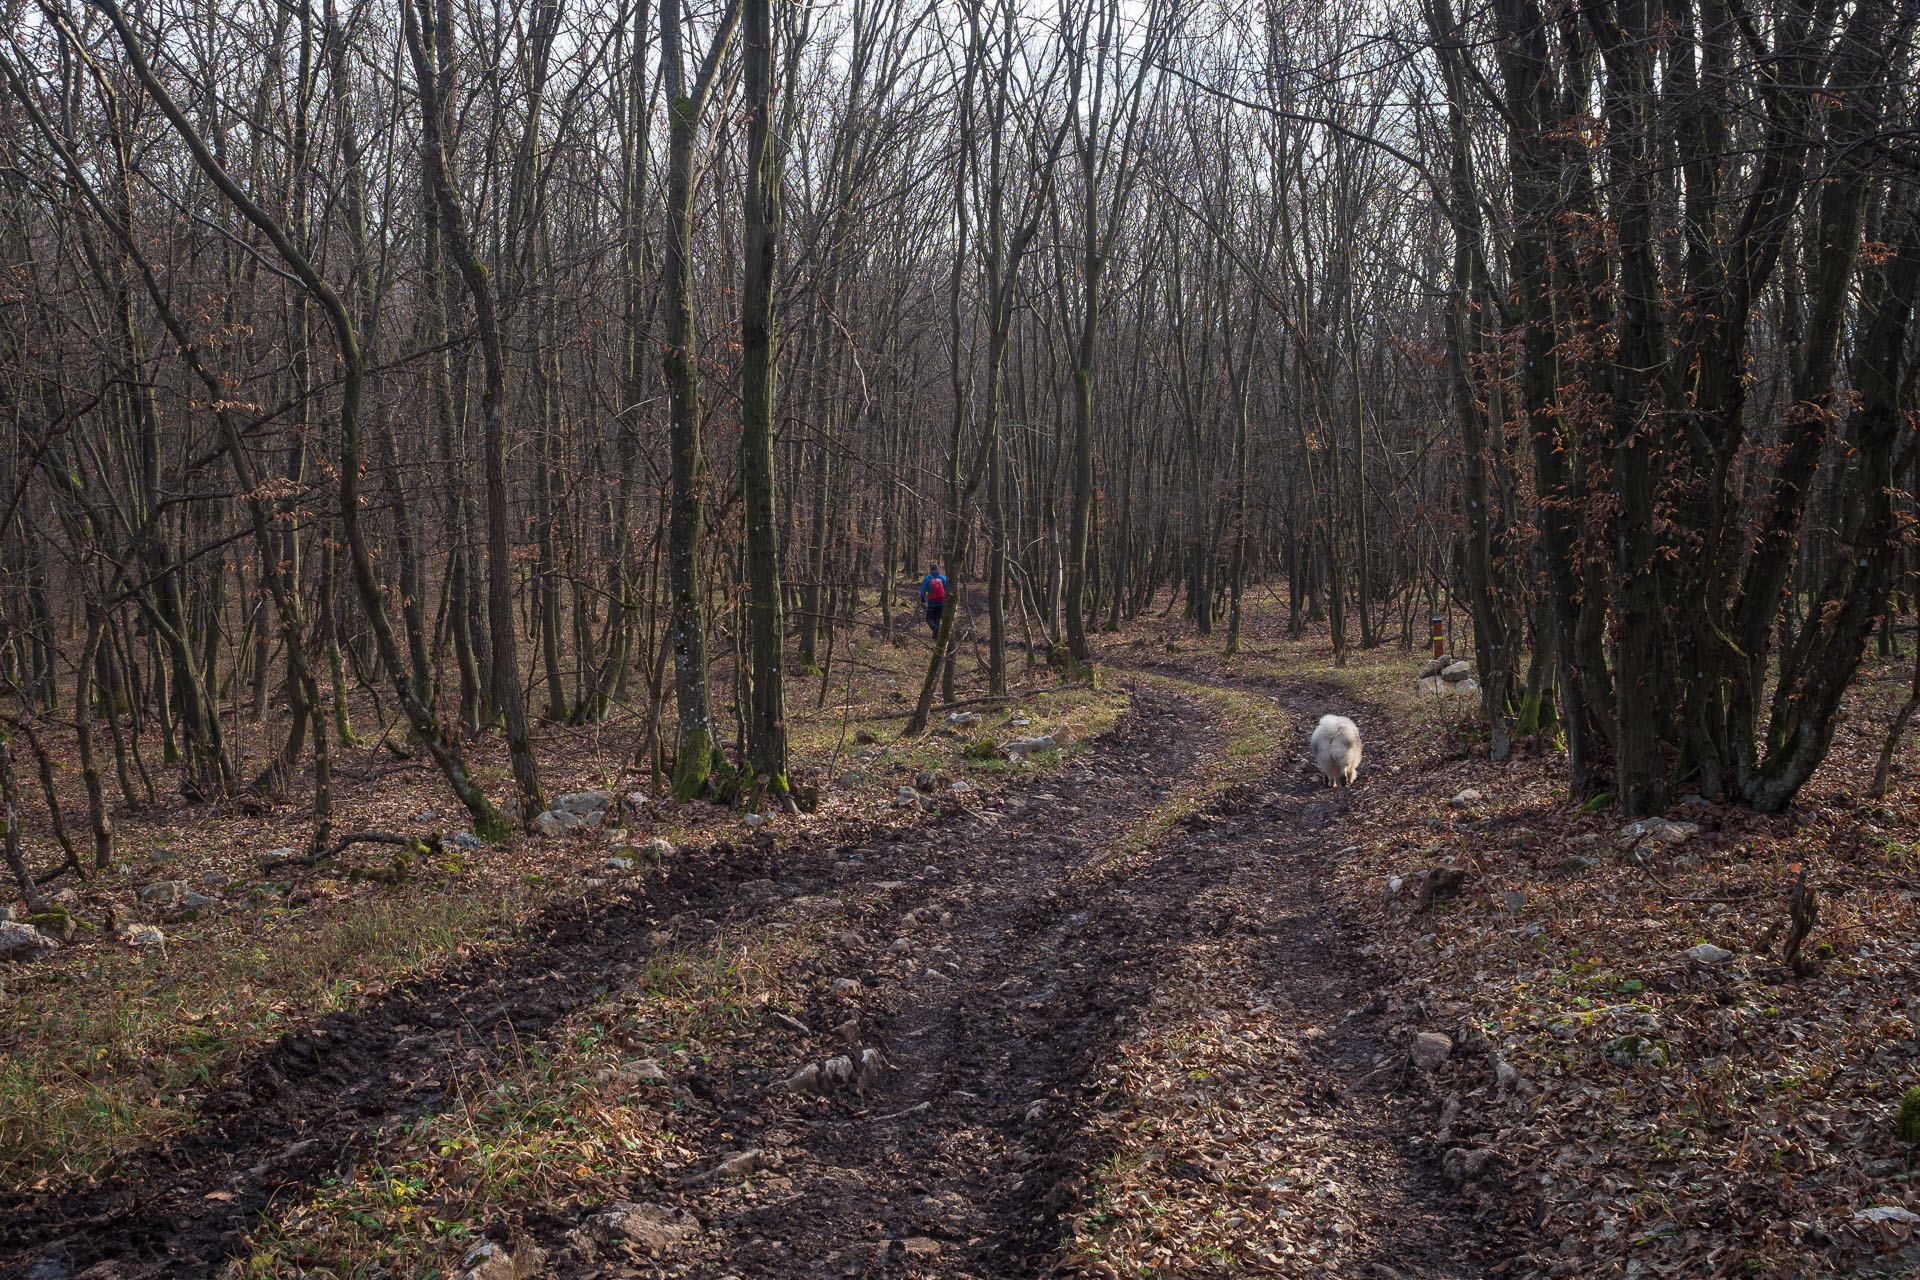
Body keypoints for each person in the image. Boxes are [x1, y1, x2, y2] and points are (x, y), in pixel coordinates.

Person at [919, 563, 948, 636]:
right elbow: (947, 589)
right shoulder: (943, 578)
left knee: (929, 618)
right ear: (937, 569)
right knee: (937, 618)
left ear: (930, 570)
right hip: (941, 603)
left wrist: (922, 599)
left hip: (932, 603)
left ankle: (934, 628)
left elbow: (922, 591)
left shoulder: (927, 579)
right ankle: (936, 635)